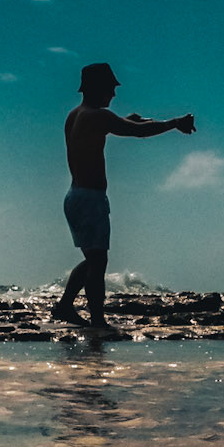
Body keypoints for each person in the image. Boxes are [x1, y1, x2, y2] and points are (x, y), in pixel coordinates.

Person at [52, 62, 194, 331]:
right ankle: (97, 321)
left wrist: (128, 120)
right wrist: (174, 123)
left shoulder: (75, 114)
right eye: (110, 88)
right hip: (89, 198)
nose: (113, 94)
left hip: (76, 197)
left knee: (93, 259)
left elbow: (118, 126)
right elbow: (136, 131)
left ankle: (65, 306)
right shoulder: (97, 115)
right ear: (97, 88)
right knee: (98, 261)